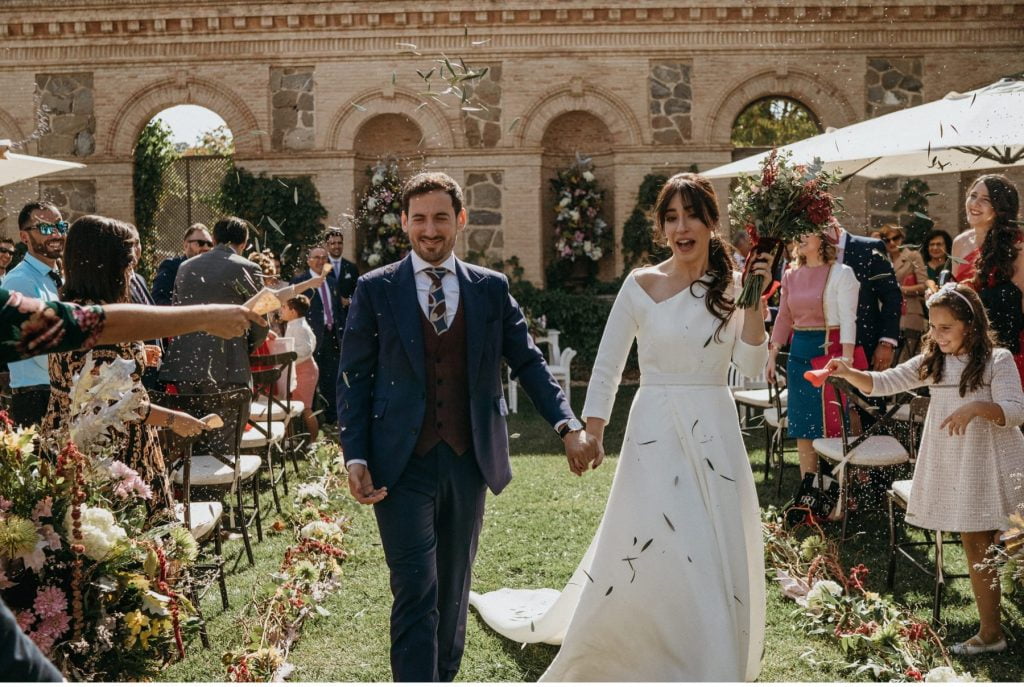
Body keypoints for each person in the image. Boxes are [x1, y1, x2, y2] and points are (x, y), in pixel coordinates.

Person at [471, 173, 770, 681]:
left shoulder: (736, 287)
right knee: (653, 536)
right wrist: (592, 430)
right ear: (661, 228)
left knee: (708, 541)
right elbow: (609, 365)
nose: (681, 227)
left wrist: (756, 306)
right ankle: (639, 640)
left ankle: (707, 653)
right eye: (671, 217)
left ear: (711, 222)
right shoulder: (640, 285)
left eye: (691, 215)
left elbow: (751, 367)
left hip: (714, 428)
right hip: (653, 428)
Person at [338, 171, 595, 682]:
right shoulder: (375, 289)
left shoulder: (490, 289)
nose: (429, 230)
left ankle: (444, 676)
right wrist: (356, 455)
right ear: (404, 225)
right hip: (398, 464)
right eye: (418, 219)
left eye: (439, 218)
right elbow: (353, 377)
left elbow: (528, 363)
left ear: (459, 220)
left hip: (466, 460)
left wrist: (568, 424)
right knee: (414, 585)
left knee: (454, 587)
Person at [826, 282, 1024, 656]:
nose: (937, 334)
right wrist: (849, 371)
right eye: (933, 326)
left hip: (996, 461)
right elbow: (883, 382)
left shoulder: (997, 359)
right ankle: (991, 632)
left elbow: (1016, 410)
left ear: (971, 324)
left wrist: (976, 408)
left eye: (946, 327)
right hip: (960, 465)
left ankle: (999, 620)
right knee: (974, 539)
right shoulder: (933, 361)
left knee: (1013, 538)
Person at [40, 216, 207, 507]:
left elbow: (86, 373)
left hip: (62, 435)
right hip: (109, 452)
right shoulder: (103, 322)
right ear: (108, 266)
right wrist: (176, 420)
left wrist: (138, 354)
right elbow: (119, 403)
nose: (131, 271)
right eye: (128, 263)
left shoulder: (70, 308)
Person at [766, 230, 859, 516]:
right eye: (798, 233)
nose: (800, 238)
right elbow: (783, 316)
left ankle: (842, 499)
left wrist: (846, 360)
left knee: (834, 425)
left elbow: (847, 319)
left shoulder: (841, 273)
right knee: (803, 426)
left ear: (823, 239)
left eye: (808, 233)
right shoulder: (791, 273)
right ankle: (811, 498)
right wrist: (772, 355)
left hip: (829, 354)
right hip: (798, 355)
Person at [160, 216, 269, 450]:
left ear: (215, 238)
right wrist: (242, 346)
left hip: (185, 367)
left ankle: (191, 482)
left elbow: (176, 312)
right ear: (244, 242)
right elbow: (261, 322)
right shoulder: (248, 267)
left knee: (191, 436)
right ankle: (219, 484)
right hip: (228, 366)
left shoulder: (185, 267)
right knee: (224, 441)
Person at [4, 202, 67, 427]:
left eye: (60, 226)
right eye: (45, 228)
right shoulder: (19, 281)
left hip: (60, 393)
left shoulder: (58, 278)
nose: (57, 234)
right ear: (24, 237)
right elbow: (41, 349)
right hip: (36, 399)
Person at [957, 176, 1024, 385]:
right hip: (965, 353)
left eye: (985, 199)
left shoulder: (1019, 247)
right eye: (972, 195)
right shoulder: (959, 244)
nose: (975, 203)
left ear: (1001, 208)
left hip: (1009, 357)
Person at [825, 219, 902, 373]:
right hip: (824, 346)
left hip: (865, 344)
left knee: (862, 396)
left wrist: (886, 342)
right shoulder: (813, 253)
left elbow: (891, 296)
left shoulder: (869, 248)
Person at [291, 246, 342, 426]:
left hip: (331, 337)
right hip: (310, 339)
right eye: (317, 257)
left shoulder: (332, 281)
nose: (321, 261)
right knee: (308, 383)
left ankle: (332, 419)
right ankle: (309, 423)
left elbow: (337, 310)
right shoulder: (300, 282)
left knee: (332, 378)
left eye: (324, 257)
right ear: (308, 261)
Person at [880, 224, 928, 362]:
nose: (892, 242)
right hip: (886, 313)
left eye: (895, 238)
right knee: (887, 362)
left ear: (902, 238)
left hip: (909, 312)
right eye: (887, 240)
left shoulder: (913, 256)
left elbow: (924, 285)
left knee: (905, 360)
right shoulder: (882, 259)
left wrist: (899, 289)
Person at [281, 295, 319, 439]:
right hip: (299, 370)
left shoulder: (300, 327)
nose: (281, 310)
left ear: (293, 311)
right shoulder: (295, 324)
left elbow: (305, 350)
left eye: (284, 307)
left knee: (305, 408)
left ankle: (313, 441)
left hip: (305, 371)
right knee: (290, 406)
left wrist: (287, 356)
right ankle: (290, 439)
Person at [151, 223, 213, 305]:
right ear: (185, 245)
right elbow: (158, 299)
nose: (206, 248)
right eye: (200, 243)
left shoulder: (213, 270)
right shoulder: (171, 266)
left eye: (210, 244)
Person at [324, 226, 359, 319]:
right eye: (333, 243)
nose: (337, 246)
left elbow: (357, 291)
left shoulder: (352, 267)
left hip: (347, 316)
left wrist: (349, 300)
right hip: (327, 317)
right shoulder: (321, 267)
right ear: (327, 245)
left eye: (339, 243)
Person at [921, 228, 953, 295]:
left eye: (939, 244)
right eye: (932, 244)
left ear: (947, 246)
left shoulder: (953, 267)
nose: (935, 248)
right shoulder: (921, 267)